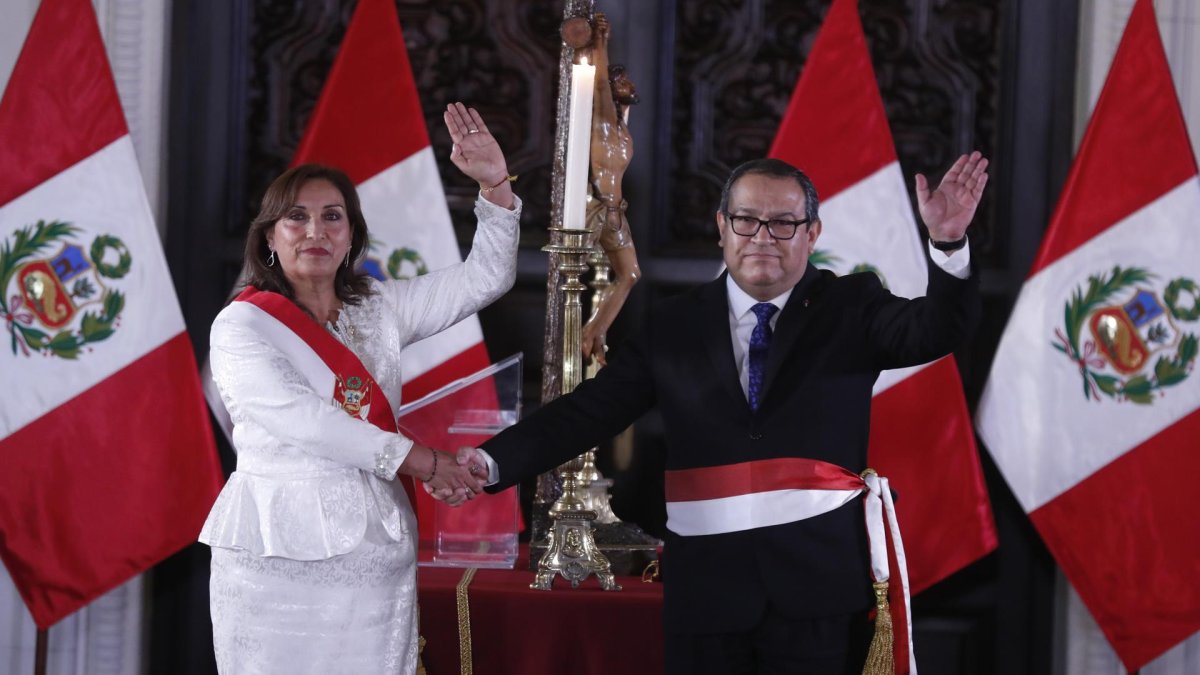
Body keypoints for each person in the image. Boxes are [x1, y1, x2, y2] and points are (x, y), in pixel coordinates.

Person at [445, 152, 988, 674]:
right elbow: (588, 412)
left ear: (812, 234)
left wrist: (948, 243)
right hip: (706, 596)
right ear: (722, 228)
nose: (762, 239)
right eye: (747, 221)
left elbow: (937, 328)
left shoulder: (853, 306)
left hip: (817, 593)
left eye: (783, 224)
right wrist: (490, 463)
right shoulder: (673, 325)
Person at [199, 102, 507, 674]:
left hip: (374, 551)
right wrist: (420, 460)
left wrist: (494, 186)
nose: (315, 230)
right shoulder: (241, 324)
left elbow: (485, 279)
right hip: (272, 552)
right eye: (297, 217)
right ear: (269, 236)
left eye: (332, 217)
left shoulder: (382, 308)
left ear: (351, 237)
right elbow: (301, 419)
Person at [581, 11, 641, 365]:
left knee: (630, 274)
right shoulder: (602, 123)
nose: (630, 85)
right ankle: (584, 336)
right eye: (624, 80)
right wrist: (600, 41)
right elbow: (600, 83)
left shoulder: (621, 127)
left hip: (617, 213)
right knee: (570, 277)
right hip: (599, 209)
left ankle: (595, 331)